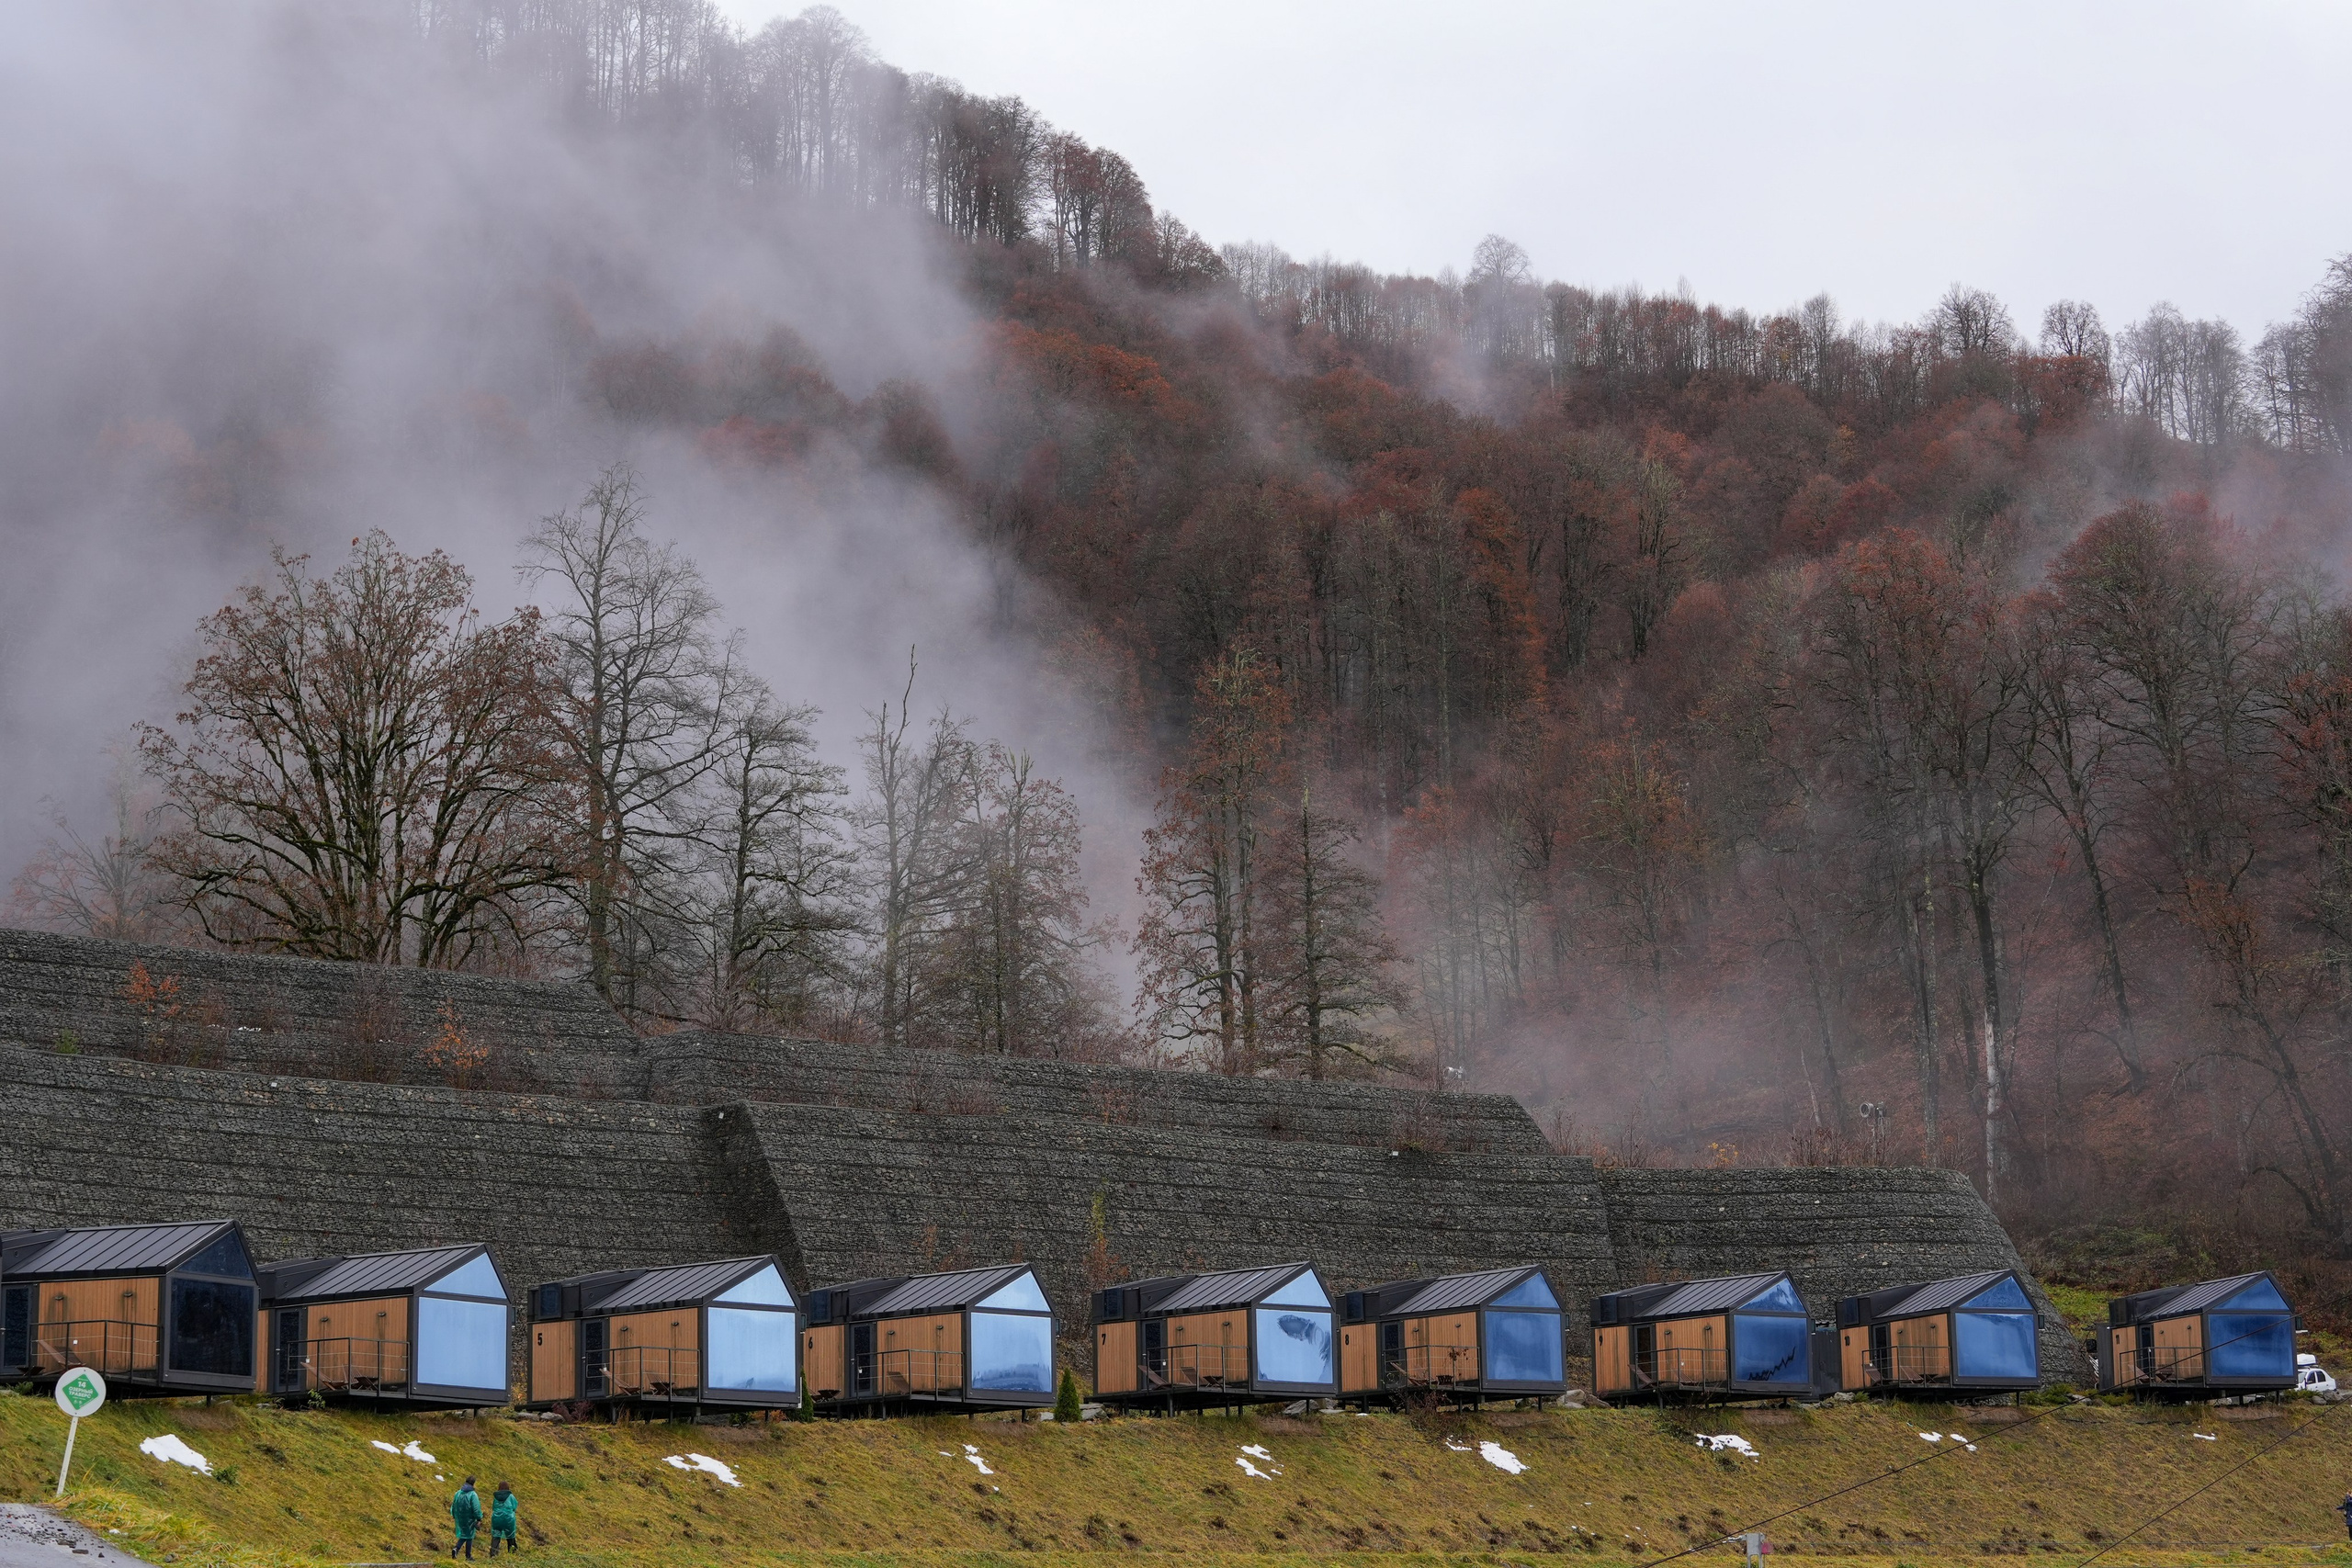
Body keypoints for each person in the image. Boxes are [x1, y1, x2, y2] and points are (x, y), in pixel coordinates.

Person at [449, 1477, 482, 1561]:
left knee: (465, 1534)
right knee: (469, 1536)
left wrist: (454, 1515)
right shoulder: (473, 1494)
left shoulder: (458, 1493)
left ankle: (457, 1549)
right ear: (473, 1484)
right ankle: (467, 1555)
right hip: (470, 1518)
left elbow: (454, 1505)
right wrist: (479, 1518)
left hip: (459, 1517)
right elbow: (476, 1508)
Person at [489, 1483, 519, 1556]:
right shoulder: (510, 1496)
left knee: (496, 1534)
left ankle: (493, 1554)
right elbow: (515, 1506)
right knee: (510, 1535)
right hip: (508, 1518)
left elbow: (493, 1507)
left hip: (497, 1518)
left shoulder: (496, 1497)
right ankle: (512, 1553)